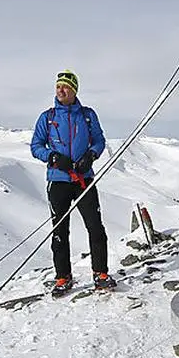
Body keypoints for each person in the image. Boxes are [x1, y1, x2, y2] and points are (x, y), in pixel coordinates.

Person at [30, 69, 116, 294]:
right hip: (58, 181)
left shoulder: (87, 115)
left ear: (74, 90)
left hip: (83, 179)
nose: (61, 89)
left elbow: (99, 140)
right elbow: (36, 146)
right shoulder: (47, 117)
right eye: (58, 86)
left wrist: (91, 155)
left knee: (95, 227)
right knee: (59, 230)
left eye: (65, 86)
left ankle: (101, 273)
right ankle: (62, 277)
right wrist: (52, 157)